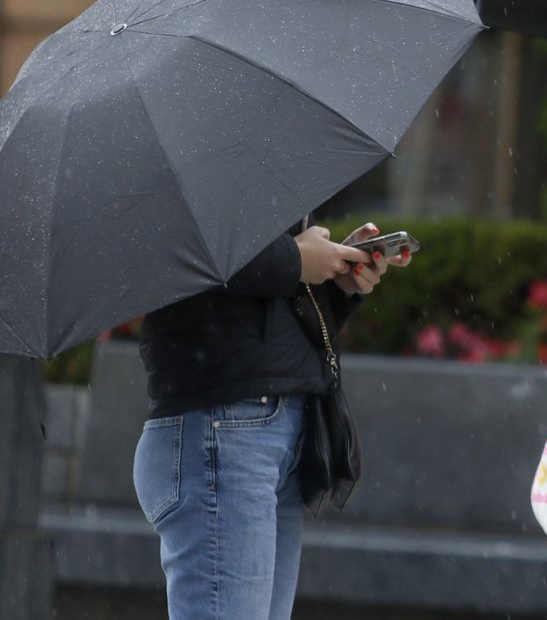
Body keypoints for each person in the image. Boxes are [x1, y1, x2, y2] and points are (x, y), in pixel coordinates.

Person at [132, 220, 408, 620]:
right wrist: (294, 259)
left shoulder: (248, 174)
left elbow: (262, 315)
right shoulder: (190, 170)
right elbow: (182, 246)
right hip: (222, 422)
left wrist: (333, 277)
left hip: (265, 424)